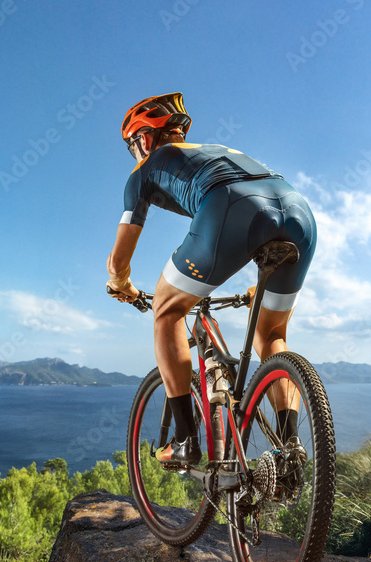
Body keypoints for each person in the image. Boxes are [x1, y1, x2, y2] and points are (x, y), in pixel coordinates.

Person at [106, 92, 317, 465]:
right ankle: (289, 448)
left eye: (132, 145)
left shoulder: (145, 170)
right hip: (298, 210)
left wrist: (121, 283)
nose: (134, 152)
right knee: (271, 334)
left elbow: (119, 260)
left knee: (167, 308)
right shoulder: (215, 151)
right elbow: (260, 205)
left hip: (230, 203)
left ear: (143, 138)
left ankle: (185, 441)